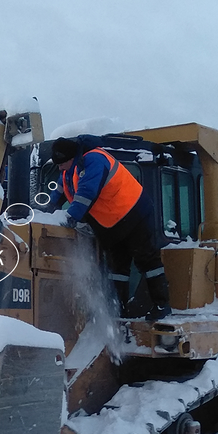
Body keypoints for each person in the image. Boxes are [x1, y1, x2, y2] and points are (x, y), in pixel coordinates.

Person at [50, 137, 171, 320]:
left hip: (134, 213)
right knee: (117, 268)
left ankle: (162, 305)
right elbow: (60, 190)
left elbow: (86, 193)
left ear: (71, 157)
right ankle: (117, 311)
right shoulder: (71, 167)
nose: (60, 168)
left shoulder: (94, 160)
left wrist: (71, 217)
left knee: (147, 260)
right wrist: (46, 209)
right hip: (113, 223)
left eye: (61, 164)